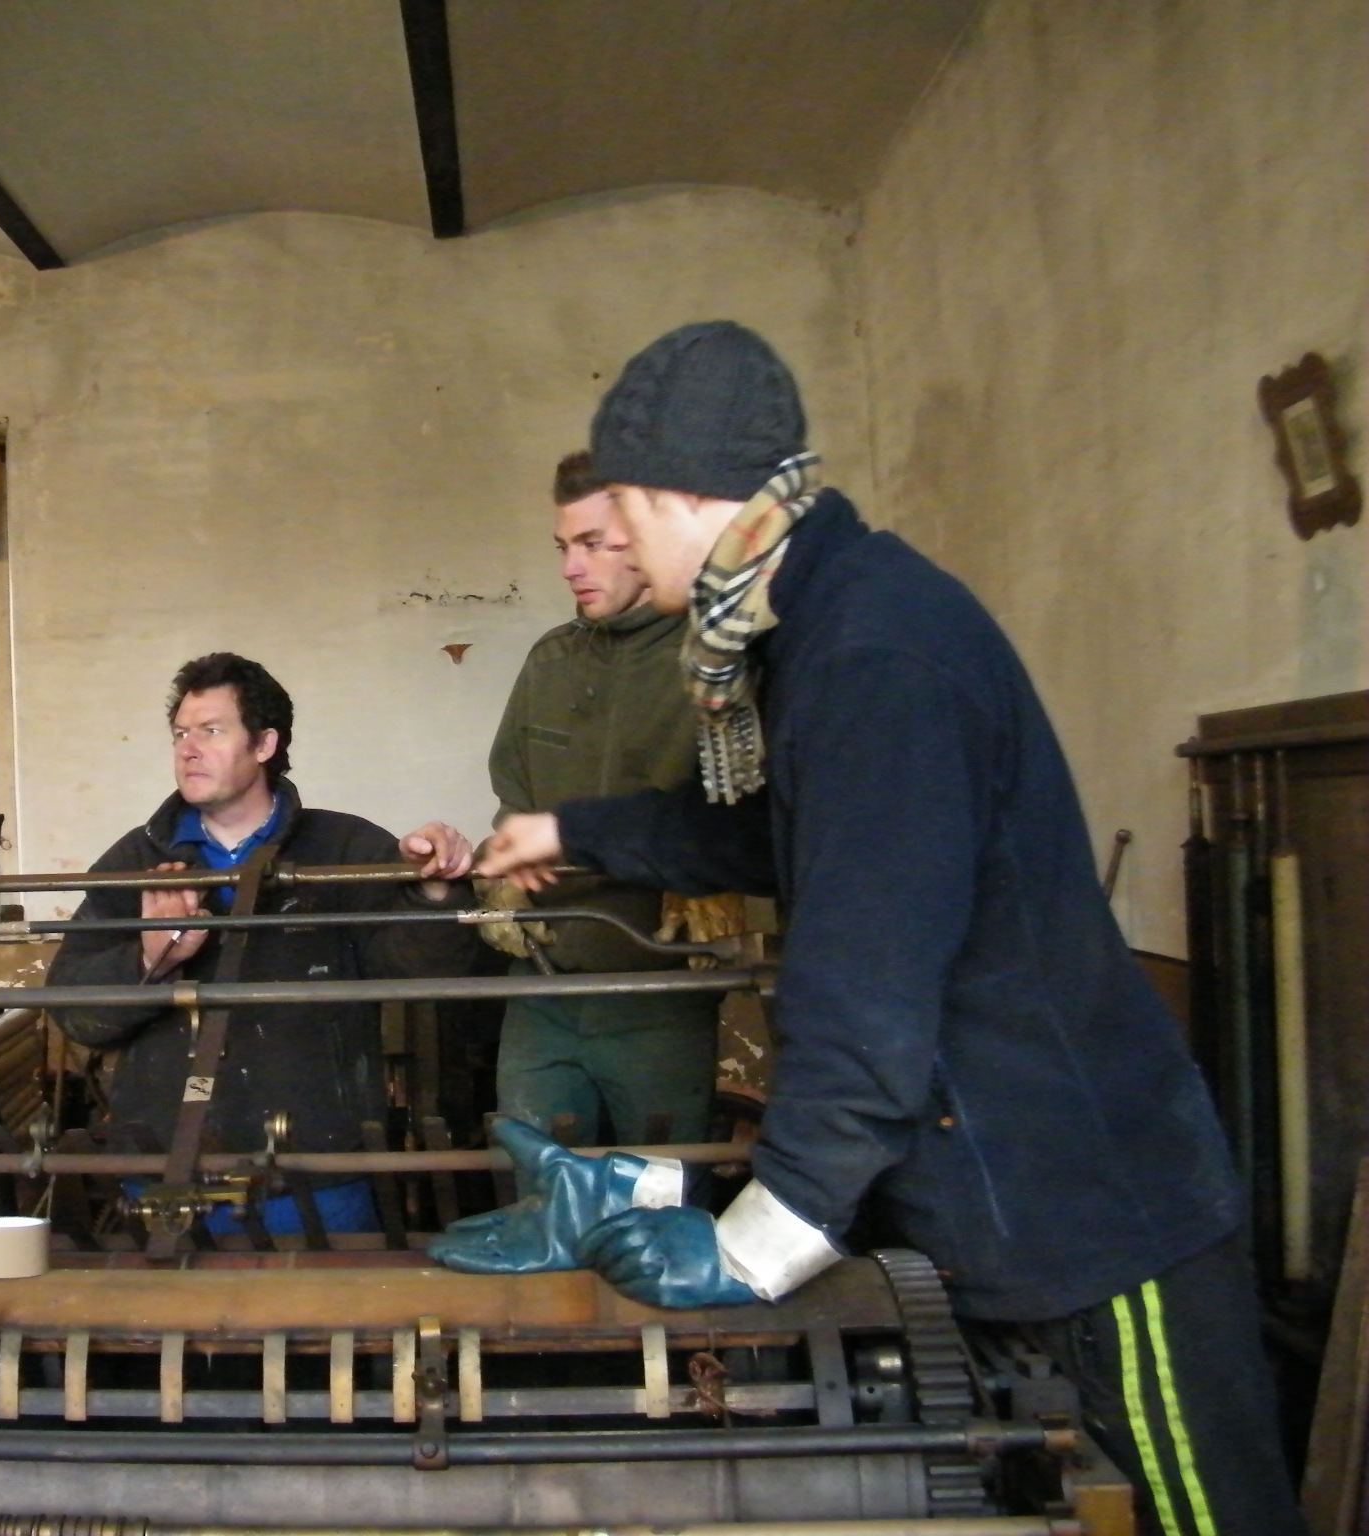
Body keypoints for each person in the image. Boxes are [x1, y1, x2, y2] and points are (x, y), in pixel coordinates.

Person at [465, 322, 1303, 1535]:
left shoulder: (874, 652)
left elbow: (864, 988)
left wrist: (759, 1241)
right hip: (994, 1196)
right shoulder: (824, 621)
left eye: (619, 518)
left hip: (1088, 1220)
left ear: (672, 493)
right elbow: (787, 836)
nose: (616, 552)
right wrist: (572, 830)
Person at [47, 652, 475, 1236]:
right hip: (167, 1171)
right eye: (180, 733)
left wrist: (434, 893)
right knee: (169, 1326)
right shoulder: (138, 861)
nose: (187, 748)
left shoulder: (344, 847)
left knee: (328, 1323)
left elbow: (429, 972)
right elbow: (73, 1011)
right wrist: (150, 960)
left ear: (265, 744)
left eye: (212, 730)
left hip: (320, 1169)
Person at [484, 449, 719, 1146]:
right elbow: (513, 798)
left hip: (664, 992)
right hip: (544, 986)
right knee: (538, 1198)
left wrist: (725, 893)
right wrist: (500, 879)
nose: (569, 568)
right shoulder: (550, 662)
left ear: (647, 536)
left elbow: (763, 815)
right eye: (563, 547)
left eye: (592, 544)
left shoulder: (719, 662)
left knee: (661, 1205)